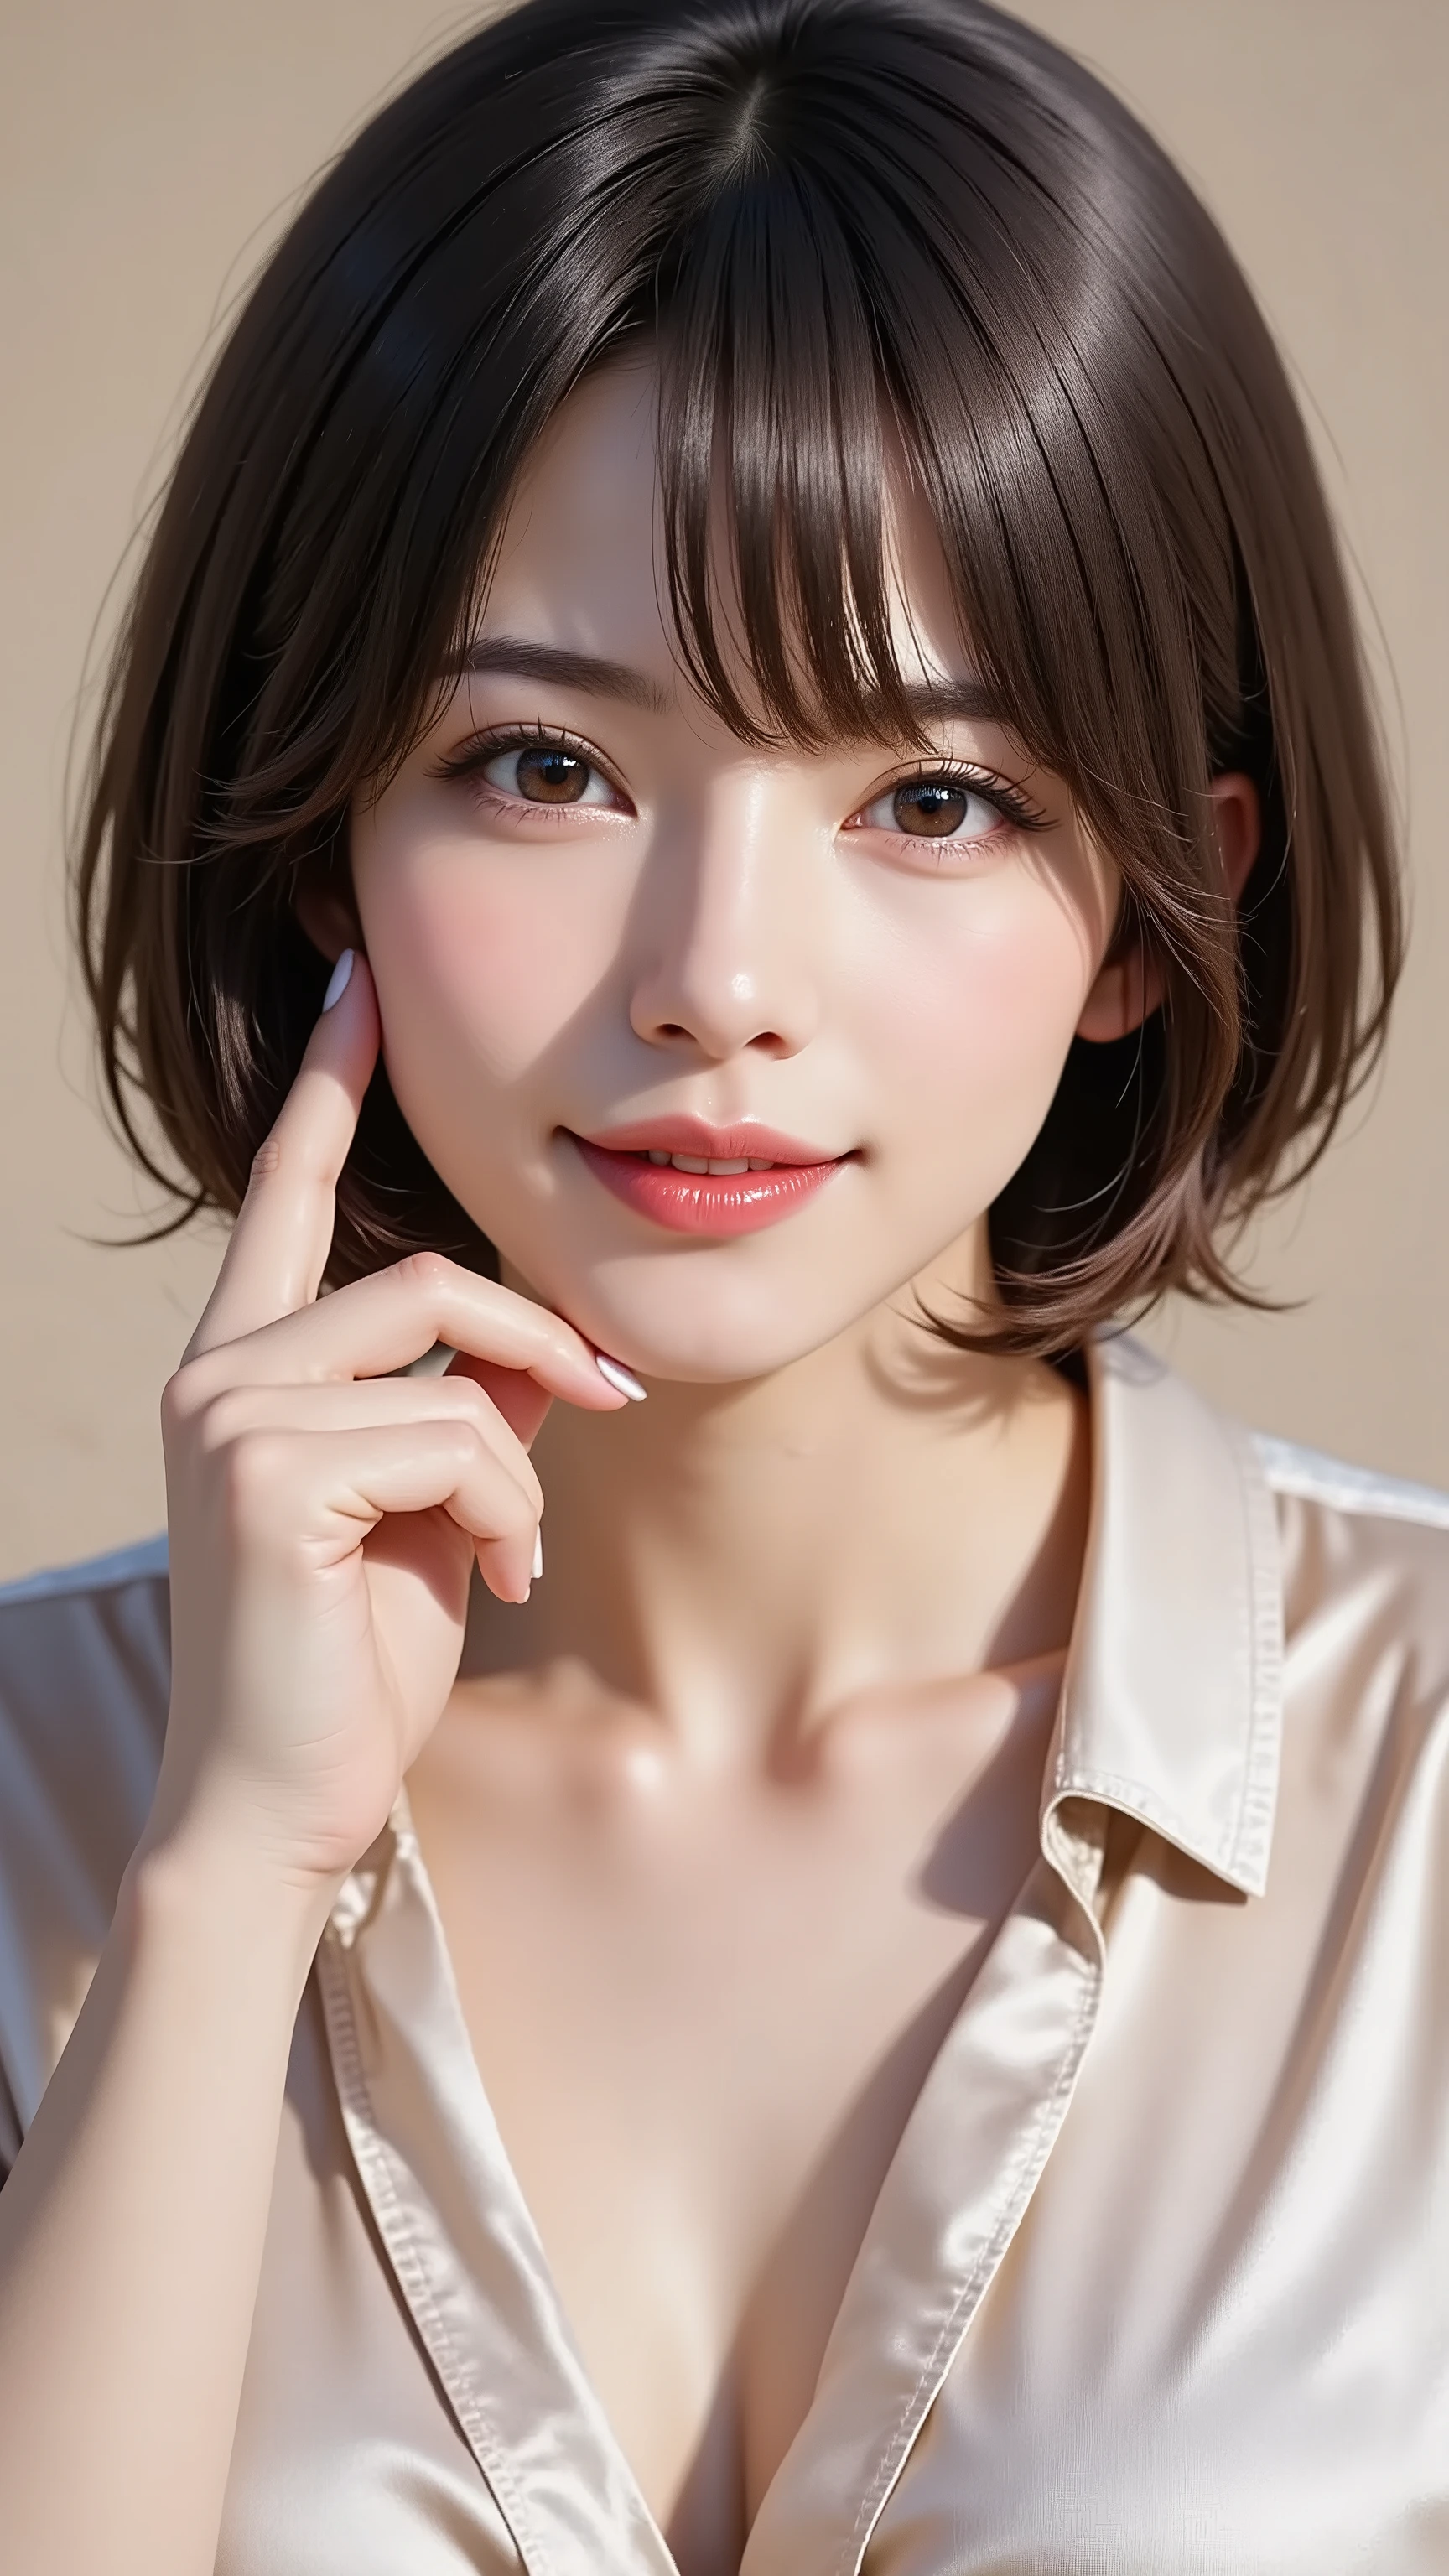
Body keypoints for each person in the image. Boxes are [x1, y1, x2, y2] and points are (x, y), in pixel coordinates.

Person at [0, 0, 1444, 2568]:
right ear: (323, 836)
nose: (716, 982)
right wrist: (219, 1883)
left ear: (1160, 903)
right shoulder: (38, 1793)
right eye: (545, 766)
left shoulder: (1417, 1781)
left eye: (932, 796)